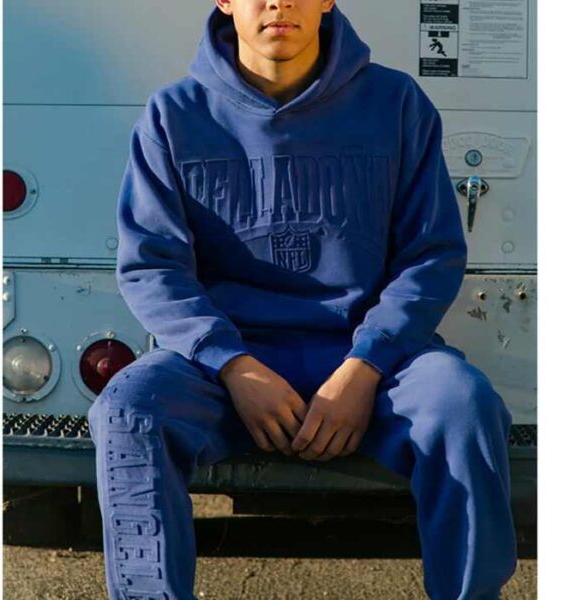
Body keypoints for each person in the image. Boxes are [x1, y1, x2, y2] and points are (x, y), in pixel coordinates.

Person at [87, 1, 517, 598]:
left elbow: (431, 255)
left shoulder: (395, 103)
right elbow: (152, 266)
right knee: (126, 411)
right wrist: (233, 366)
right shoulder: (173, 115)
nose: (279, 2)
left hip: (374, 362)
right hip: (225, 366)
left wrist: (365, 368)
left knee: (463, 403)